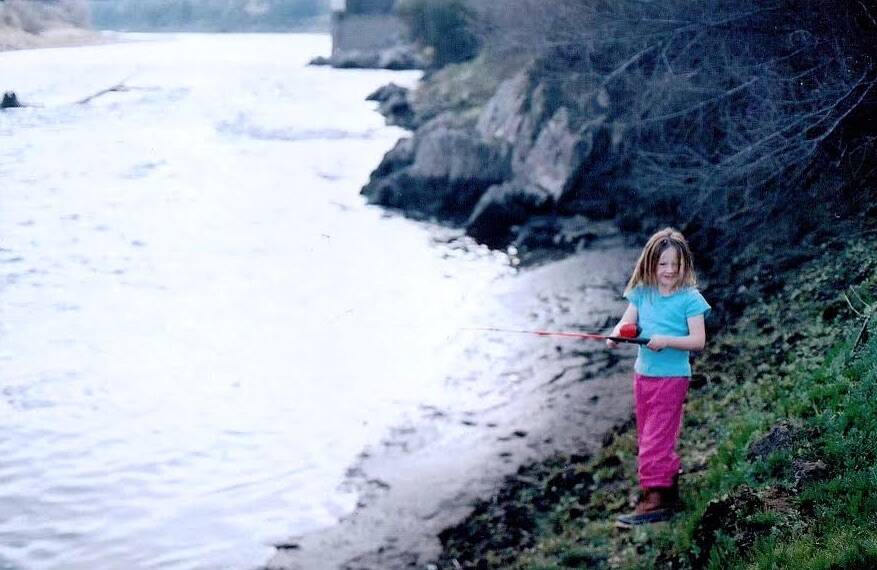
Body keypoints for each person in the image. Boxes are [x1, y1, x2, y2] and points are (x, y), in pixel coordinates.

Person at [607, 227, 710, 528]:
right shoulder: (642, 293)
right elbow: (626, 323)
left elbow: (698, 341)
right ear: (651, 263)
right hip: (643, 377)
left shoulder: (690, 299)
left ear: (683, 265)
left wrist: (666, 339)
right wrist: (615, 336)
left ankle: (657, 499)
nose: (668, 270)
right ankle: (666, 488)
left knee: (655, 439)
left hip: (672, 378)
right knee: (649, 436)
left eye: (674, 264)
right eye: (662, 264)